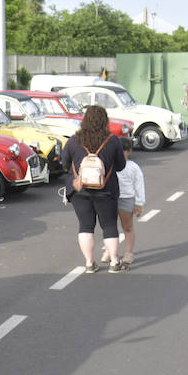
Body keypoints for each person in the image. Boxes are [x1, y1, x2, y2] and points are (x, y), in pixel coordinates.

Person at [60, 104, 127, 273]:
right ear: (105, 121)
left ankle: (89, 263)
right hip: (106, 190)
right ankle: (114, 262)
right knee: (110, 225)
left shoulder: (74, 140)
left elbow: (65, 164)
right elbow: (120, 166)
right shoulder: (112, 140)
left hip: (79, 191)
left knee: (85, 226)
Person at [114, 138, 144, 265]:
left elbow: (139, 185)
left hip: (127, 199)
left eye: (124, 151)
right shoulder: (110, 164)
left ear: (129, 151)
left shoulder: (133, 167)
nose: (121, 154)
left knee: (127, 226)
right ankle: (111, 251)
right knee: (110, 227)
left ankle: (129, 253)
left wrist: (139, 203)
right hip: (111, 198)